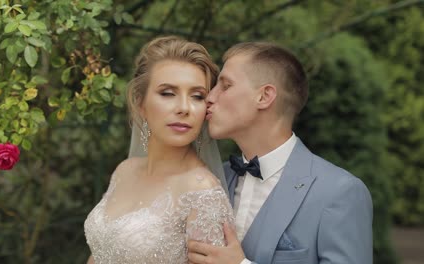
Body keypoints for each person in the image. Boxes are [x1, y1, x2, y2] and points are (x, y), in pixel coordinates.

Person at [187, 42, 373, 264]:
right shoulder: (211, 181)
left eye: (225, 86)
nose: (210, 97)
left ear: (264, 96)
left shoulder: (339, 192)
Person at [84, 36, 234, 264]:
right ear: (140, 103)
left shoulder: (201, 191)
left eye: (197, 96)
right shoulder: (124, 170)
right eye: (167, 93)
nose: (184, 108)